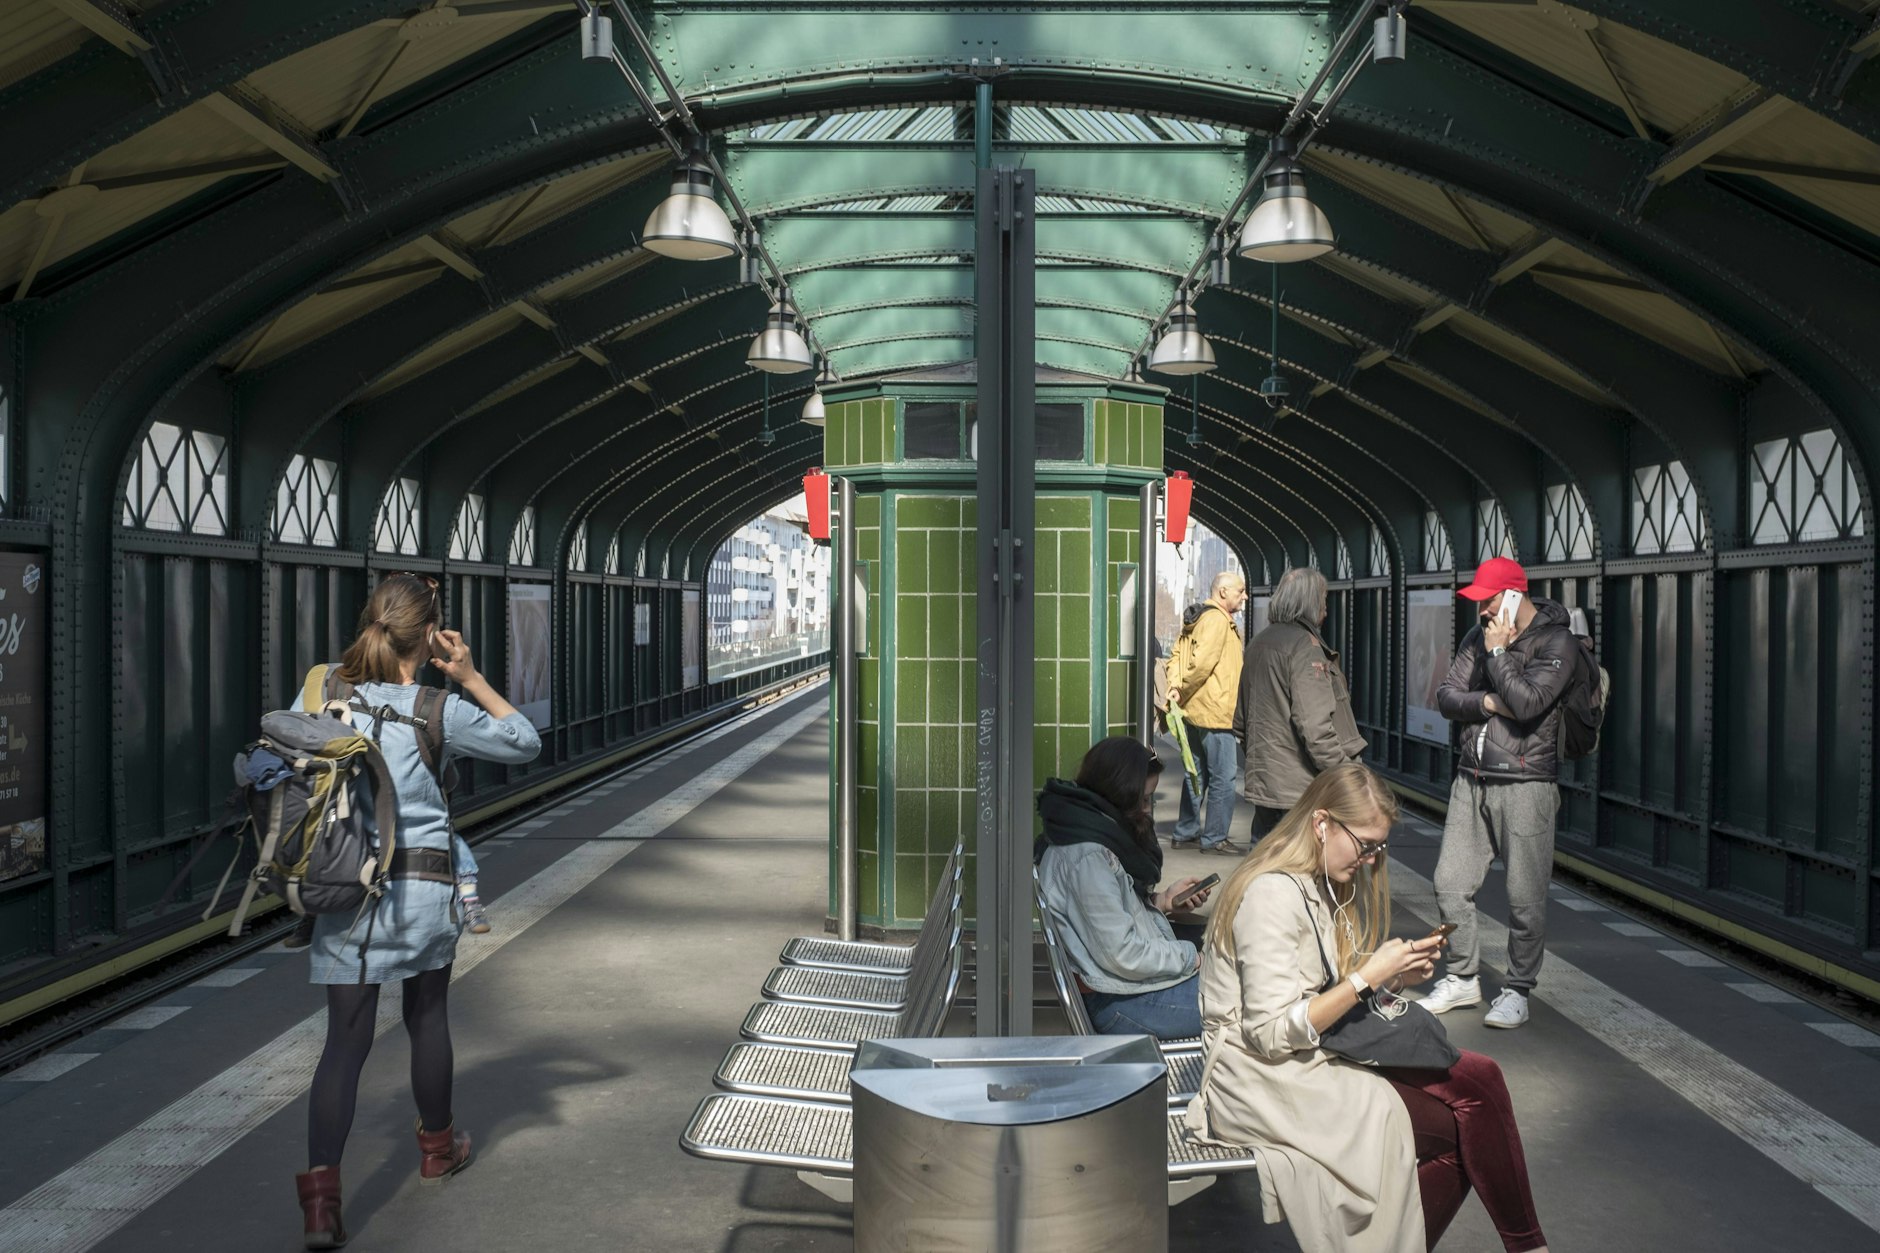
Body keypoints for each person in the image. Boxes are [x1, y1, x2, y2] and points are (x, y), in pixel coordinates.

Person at [1184, 763, 1549, 1253]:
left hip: (1298, 1061)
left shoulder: (1312, 882)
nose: (1372, 860)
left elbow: (1316, 993)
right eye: (1365, 845)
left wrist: (1391, 977)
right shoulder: (1272, 894)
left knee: (1479, 1084)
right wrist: (1367, 976)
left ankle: (1525, 1246)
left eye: (1379, 848)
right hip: (1259, 1078)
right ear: (1321, 824)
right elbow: (1270, 1032)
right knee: (1467, 1128)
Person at [295, 574, 542, 1250]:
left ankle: (320, 1203)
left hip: (344, 891)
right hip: (424, 892)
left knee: (343, 1044)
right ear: (431, 635)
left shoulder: (325, 693)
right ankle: (438, 1148)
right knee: (425, 1015)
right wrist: (471, 675)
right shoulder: (438, 708)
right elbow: (524, 741)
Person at [1421, 557, 1577, 1030]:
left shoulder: (1558, 643)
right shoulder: (1477, 636)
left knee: (1524, 898)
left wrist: (1497, 657)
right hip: (1472, 777)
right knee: (1449, 883)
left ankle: (1517, 990)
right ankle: (1464, 976)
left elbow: (1530, 705)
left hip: (1527, 782)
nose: (1482, 612)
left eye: (1488, 601)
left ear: (1513, 596)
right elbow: (1447, 697)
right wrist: (1489, 700)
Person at [1035, 737, 1214, 1040]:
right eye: (1143, 800)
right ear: (1119, 795)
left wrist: (1163, 901)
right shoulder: (1088, 856)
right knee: (1250, 1001)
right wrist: (1191, 957)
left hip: (1126, 988)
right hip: (1123, 1002)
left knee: (1245, 982)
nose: (1147, 811)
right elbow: (1123, 953)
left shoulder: (1086, 828)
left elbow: (1107, 922)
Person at [1235, 567, 1365, 844]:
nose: (1326, 610)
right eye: (1323, 600)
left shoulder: (1258, 643)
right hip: (1301, 791)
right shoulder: (1305, 648)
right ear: (1310, 603)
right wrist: (1344, 774)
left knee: (1263, 870)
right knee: (1300, 875)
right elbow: (1316, 728)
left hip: (1267, 785)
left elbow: (1241, 723)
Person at [1165, 572, 1247, 854]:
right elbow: (1202, 664)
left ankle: (1185, 831)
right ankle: (1214, 838)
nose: (1244, 596)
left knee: (1195, 772)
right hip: (1215, 711)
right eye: (1240, 591)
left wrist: (1177, 687)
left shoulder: (1197, 617)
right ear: (1223, 592)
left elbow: (1176, 656)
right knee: (1224, 776)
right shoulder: (1217, 620)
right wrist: (1183, 688)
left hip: (1194, 711)